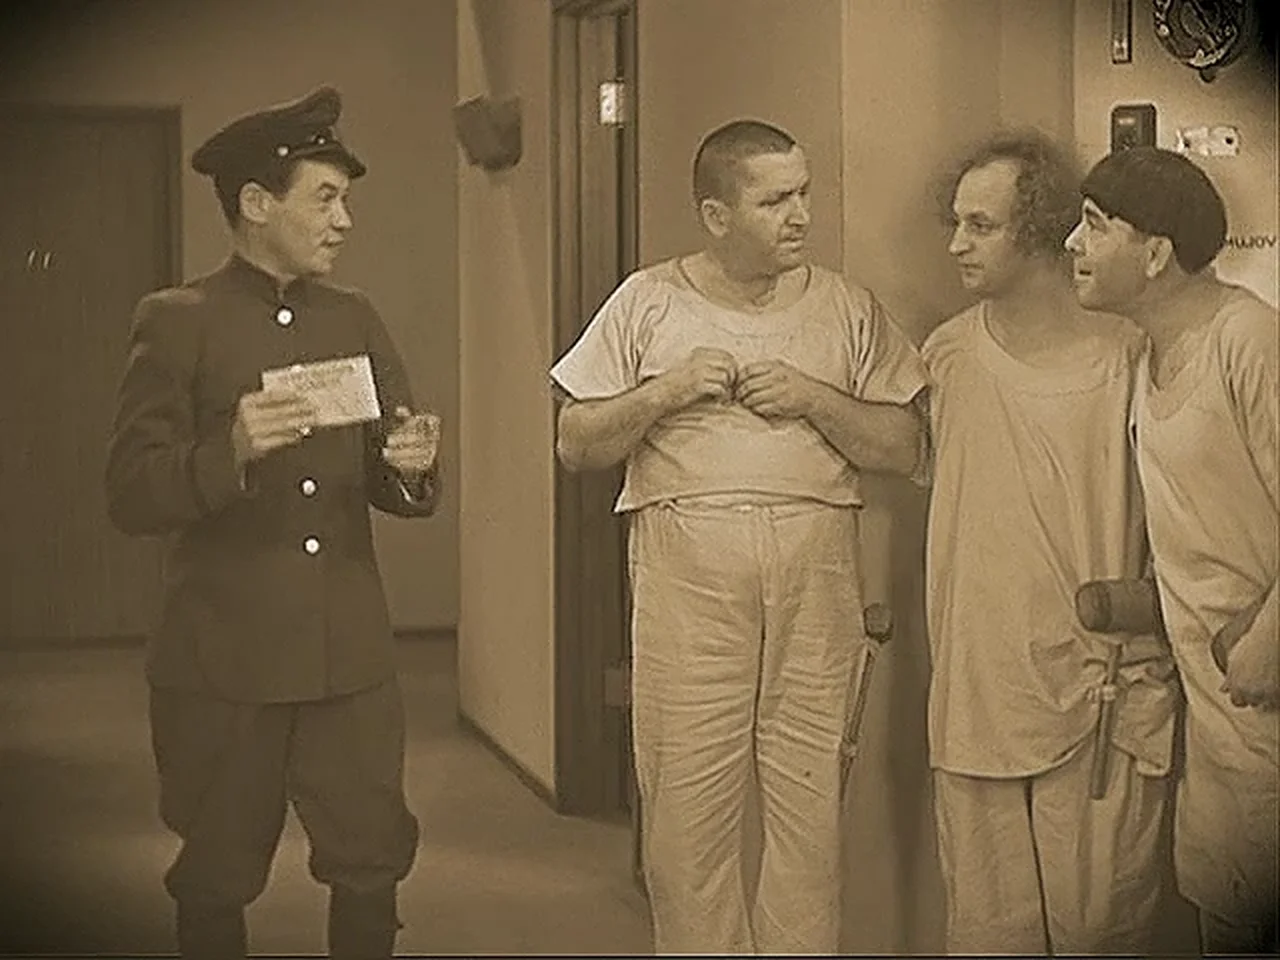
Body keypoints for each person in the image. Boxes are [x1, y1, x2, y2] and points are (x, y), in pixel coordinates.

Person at [549, 119, 927, 955]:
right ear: (716, 215)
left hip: (815, 572)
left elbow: (903, 446)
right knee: (686, 808)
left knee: (809, 809)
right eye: (775, 200)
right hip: (688, 575)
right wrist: (666, 391)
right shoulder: (648, 300)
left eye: (803, 194)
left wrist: (813, 398)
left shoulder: (845, 307)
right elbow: (577, 442)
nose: (800, 215)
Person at [104, 86, 441, 960]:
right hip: (225, 657)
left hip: (346, 655)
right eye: (324, 199)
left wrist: (411, 465)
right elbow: (130, 493)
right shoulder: (177, 321)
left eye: (345, 200)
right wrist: (230, 451)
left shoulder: (353, 318)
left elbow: (393, 466)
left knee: (371, 858)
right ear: (257, 203)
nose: (343, 221)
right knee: (217, 870)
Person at [916, 130, 1180, 955]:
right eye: (956, 223)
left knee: (1101, 932)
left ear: (1038, 232)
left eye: (980, 226)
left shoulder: (1130, 356)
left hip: (1099, 691)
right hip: (978, 692)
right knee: (987, 934)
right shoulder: (948, 356)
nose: (957, 245)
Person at [1066, 145, 1278, 956]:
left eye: (1095, 225)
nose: (1073, 245)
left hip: (1263, 701)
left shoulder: (1248, 340)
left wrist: (1265, 644)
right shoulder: (1146, 356)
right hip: (1219, 733)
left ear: (1155, 254)